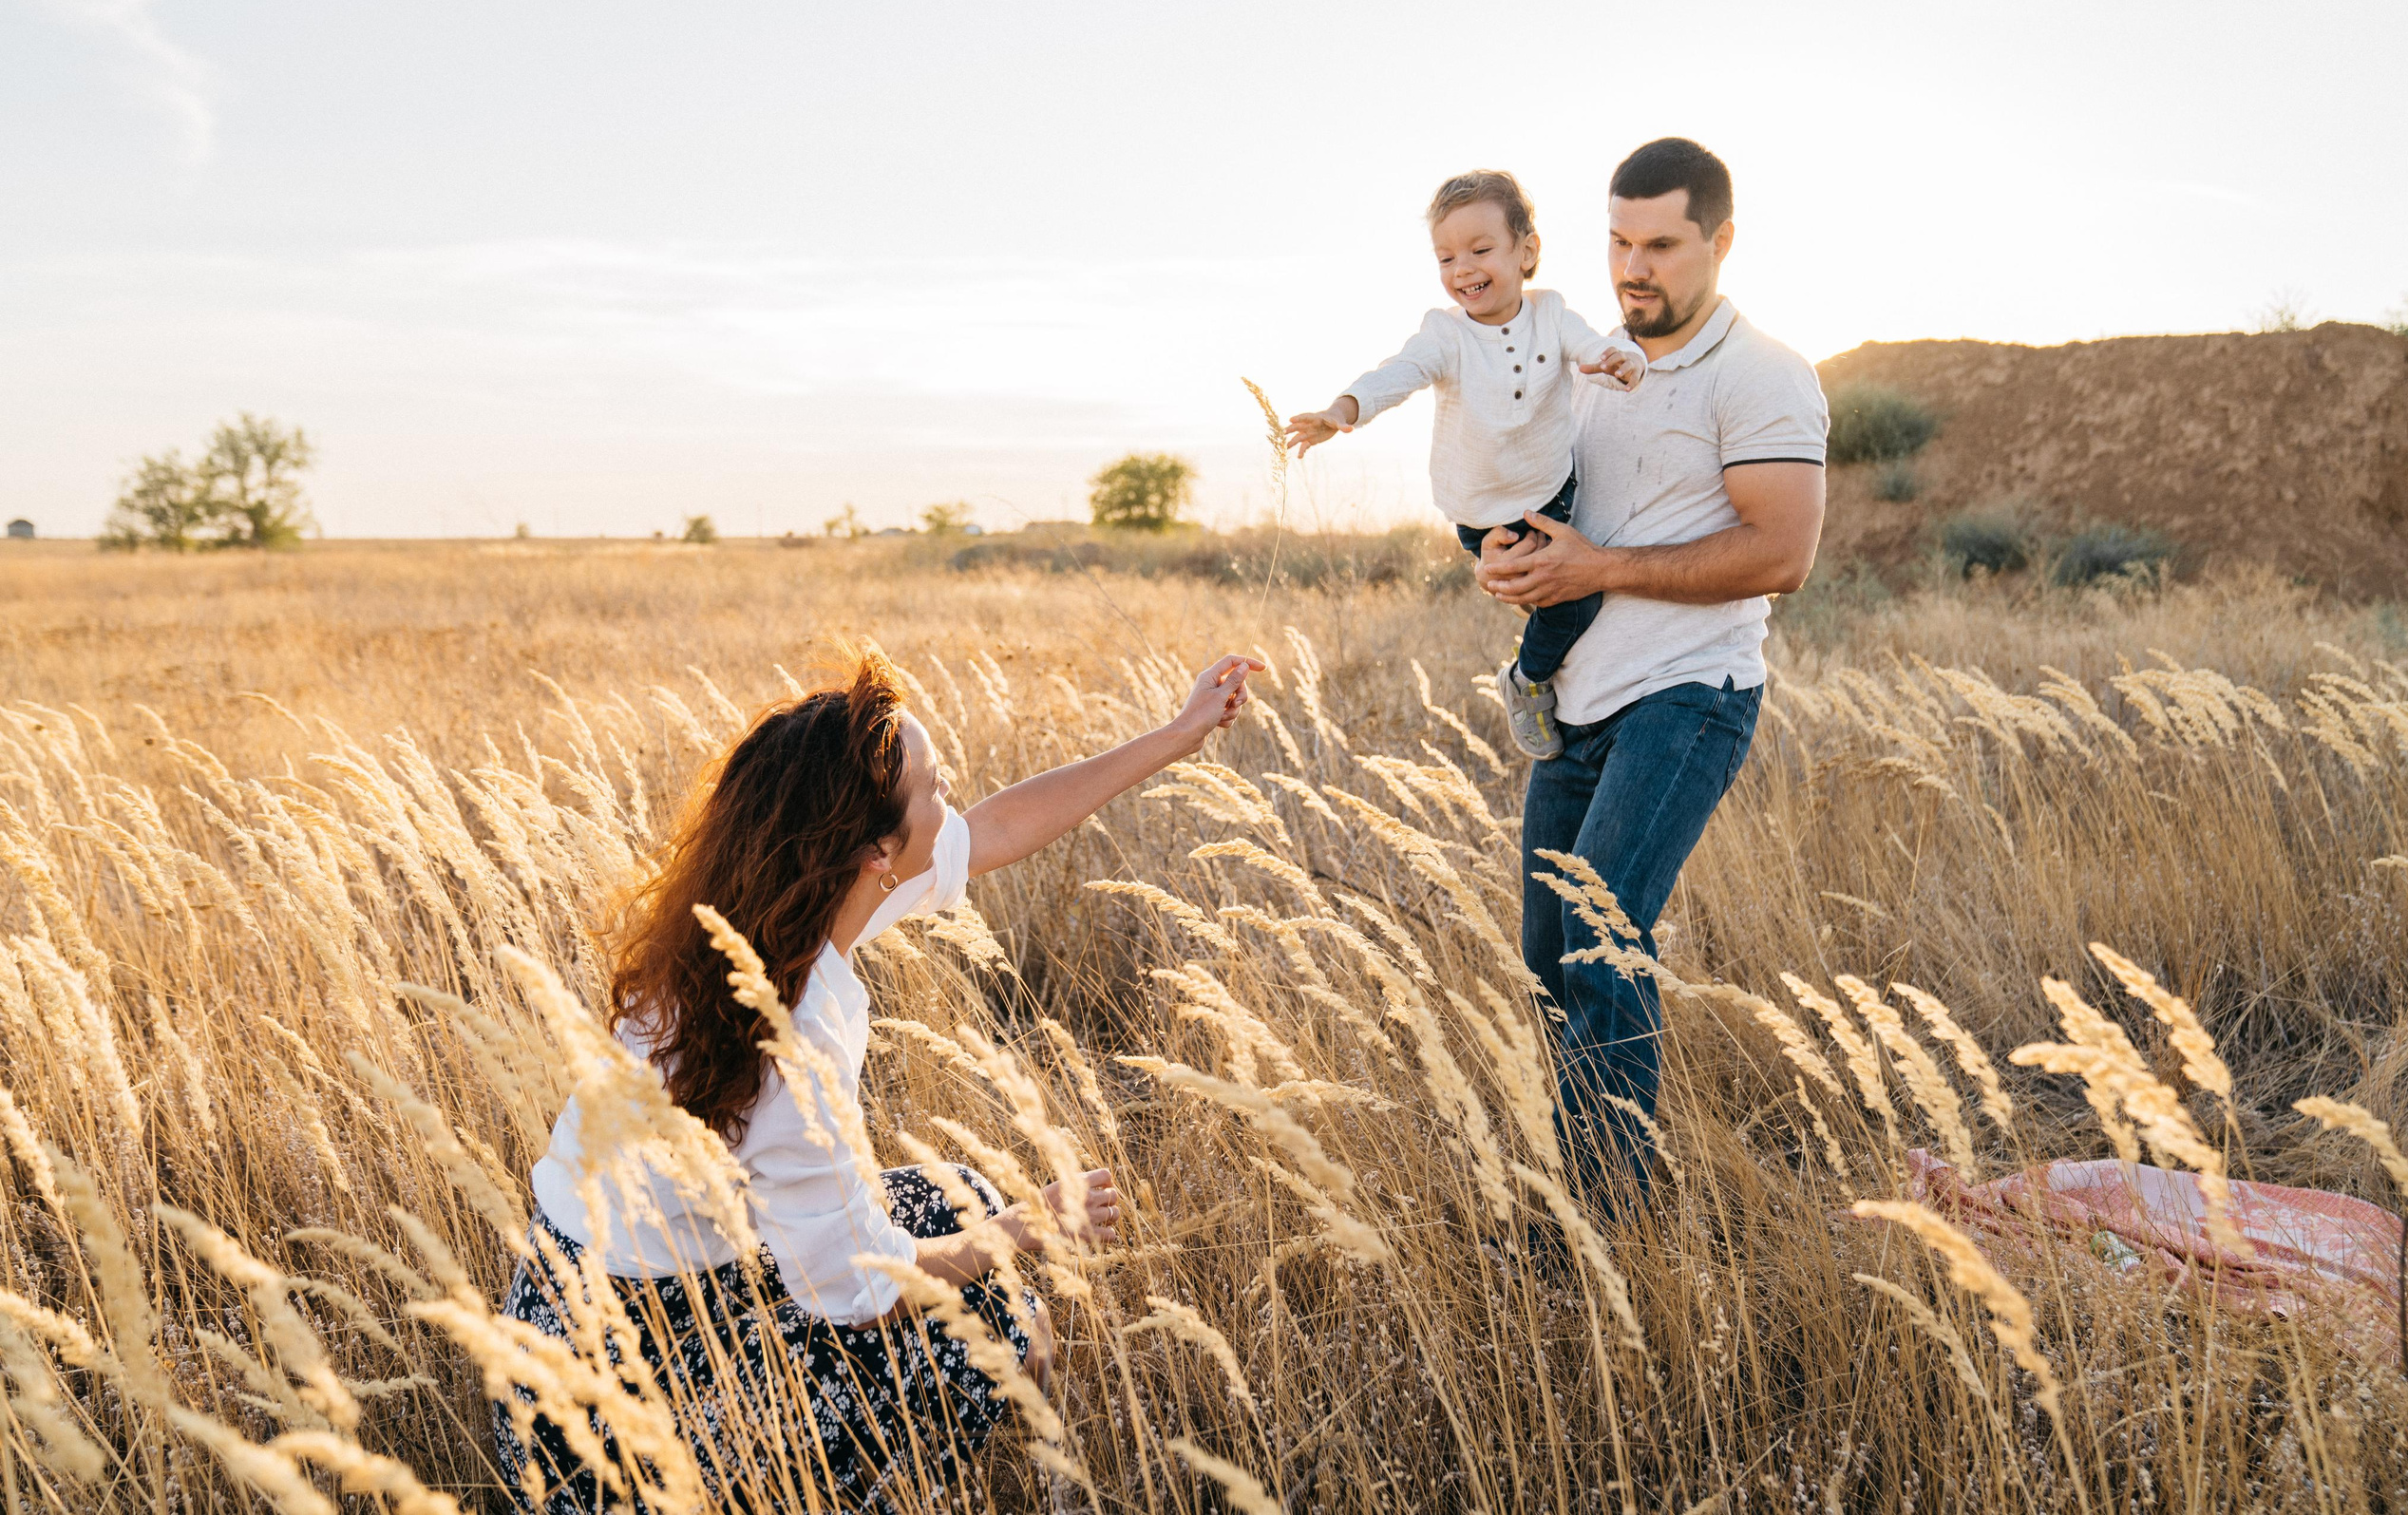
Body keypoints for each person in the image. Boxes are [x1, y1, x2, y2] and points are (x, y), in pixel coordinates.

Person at [496, 646, 1261, 1511]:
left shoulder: (766, 912)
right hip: (608, 1427)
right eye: (934, 789)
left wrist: (1176, 733)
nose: (950, 799)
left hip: (610, 1314)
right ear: (873, 851)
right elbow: (861, 1293)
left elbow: (1000, 828)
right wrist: (1023, 1229)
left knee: (955, 1198)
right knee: (992, 1333)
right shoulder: (790, 1036)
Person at [1475, 138, 1827, 1208]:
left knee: (1600, 940)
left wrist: (1602, 566)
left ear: (1718, 242)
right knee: (1546, 956)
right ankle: (1580, 1195)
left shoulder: (1761, 372)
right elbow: (1555, 500)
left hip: (1688, 696)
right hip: (1581, 698)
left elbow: (1783, 554)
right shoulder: (1588, 366)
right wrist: (1511, 549)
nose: (1636, 267)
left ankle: (1610, 1226)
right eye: (1621, 242)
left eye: (1663, 244)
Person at [1282, 169, 1646, 761]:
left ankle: (1540, 675)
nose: (1463, 270)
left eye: (1480, 250)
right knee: (1557, 601)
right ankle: (1527, 680)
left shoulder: (1552, 313)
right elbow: (1398, 372)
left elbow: (1594, 347)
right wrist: (1343, 409)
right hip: (1481, 511)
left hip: (1551, 491)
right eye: (1446, 257)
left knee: (1576, 601)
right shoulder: (1445, 334)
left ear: (1526, 252)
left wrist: (1620, 359)